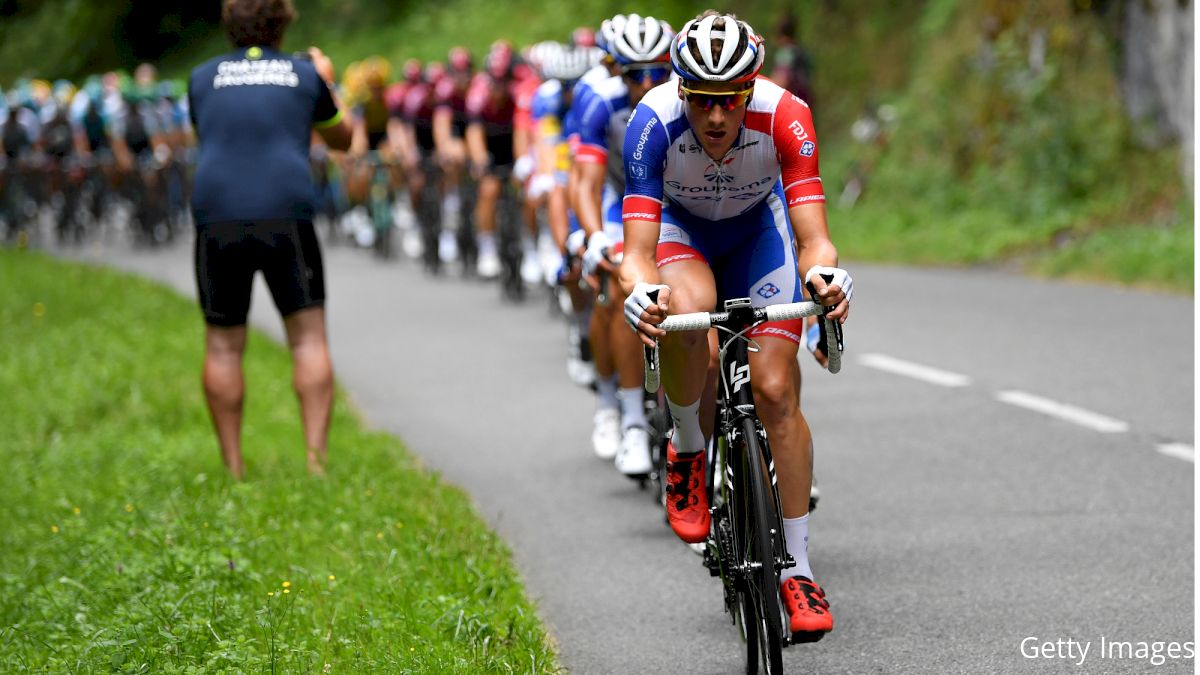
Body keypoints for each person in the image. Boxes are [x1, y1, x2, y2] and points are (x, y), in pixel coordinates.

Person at [618, 12, 852, 641]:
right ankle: (689, 450)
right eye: (702, 101)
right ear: (681, 91)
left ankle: (798, 568)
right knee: (687, 312)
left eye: (728, 101)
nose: (716, 117)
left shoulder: (786, 115)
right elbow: (636, 251)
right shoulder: (651, 121)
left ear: (749, 91)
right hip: (683, 233)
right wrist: (641, 292)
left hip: (758, 233)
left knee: (776, 390)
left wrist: (826, 279)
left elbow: (814, 240)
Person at [187, 0, 352, 479]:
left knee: (222, 343)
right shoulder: (303, 74)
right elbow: (344, 139)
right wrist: (323, 78)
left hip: (217, 211)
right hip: (285, 208)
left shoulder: (201, 77)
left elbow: (215, 130)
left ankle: (234, 469)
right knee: (306, 337)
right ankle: (316, 466)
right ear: (283, 23)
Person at [574, 13, 674, 474]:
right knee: (617, 291)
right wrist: (594, 236)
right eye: (637, 74)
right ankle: (627, 415)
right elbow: (585, 181)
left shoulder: (685, 98)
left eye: (659, 71)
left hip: (676, 203)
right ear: (617, 71)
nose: (649, 82)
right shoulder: (597, 100)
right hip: (621, 201)